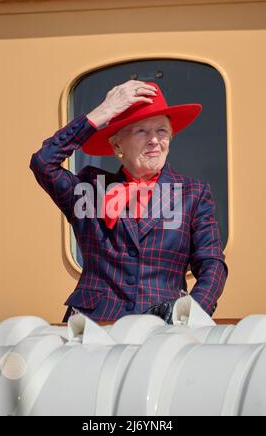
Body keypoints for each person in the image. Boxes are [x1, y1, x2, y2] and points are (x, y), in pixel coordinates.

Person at [30, 80, 228, 324]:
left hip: (164, 328)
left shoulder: (193, 193)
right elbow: (43, 162)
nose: (154, 140)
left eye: (162, 131)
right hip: (95, 327)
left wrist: (189, 315)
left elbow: (212, 265)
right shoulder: (90, 190)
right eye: (141, 131)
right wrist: (103, 112)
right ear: (116, 145)